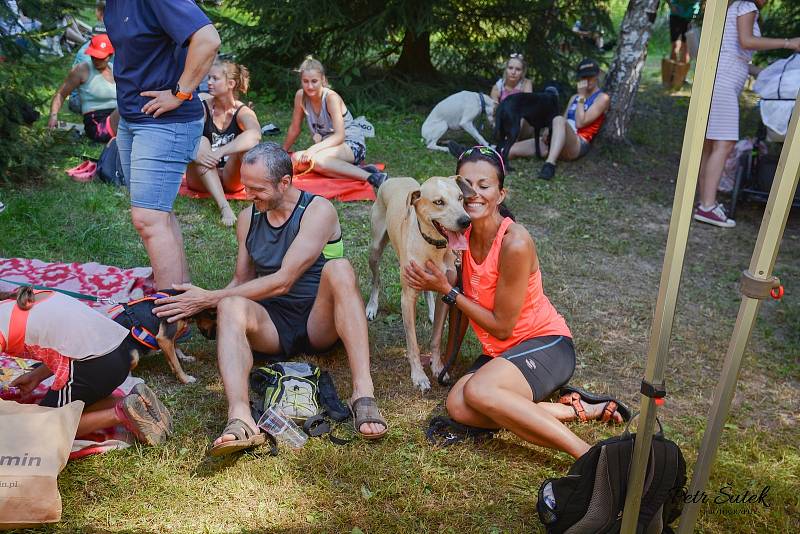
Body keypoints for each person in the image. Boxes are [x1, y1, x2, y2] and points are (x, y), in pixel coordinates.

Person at [153, 143, 388, 455]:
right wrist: (207, 305)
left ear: (285, 183)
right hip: (273, 325)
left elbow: (283, 280)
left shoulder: (318, 211)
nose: (249, 195)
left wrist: (208, 296)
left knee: (340, 269)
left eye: (257, 189)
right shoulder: (249, 218)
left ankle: (363, 394)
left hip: (320, 318)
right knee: (230, 304)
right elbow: (241, 280)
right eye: (246, 187)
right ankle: (240, 416)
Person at [403, 146, 626, 460]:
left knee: (479, 392)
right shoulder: (460, 238)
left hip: (545, 346)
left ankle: (590, 456)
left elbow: (503, 327)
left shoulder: (515, 242)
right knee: (458, 405)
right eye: (466, 187)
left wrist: (448, 291)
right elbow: (461, 309)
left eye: (484, 186)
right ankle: (574, 408)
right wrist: (447, 359)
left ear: (501, 193)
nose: (473, 194)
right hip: (501, 354)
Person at [105, 0, 221, 289]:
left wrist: (179, 93)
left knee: (149, 218)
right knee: (158, 213)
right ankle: (180, 296)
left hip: (166, 121)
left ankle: (166, 318)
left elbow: (208, 40)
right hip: (134, 118)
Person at [2, 287, 172, 445]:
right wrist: (36, 376)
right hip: (119, 353)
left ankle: (121, 413)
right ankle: (136, 403)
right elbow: (63, 342)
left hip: (96, 366)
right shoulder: (21, 298)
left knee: (42, 427)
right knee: (74, 406)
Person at [695, 0, 800, 228]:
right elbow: (747, 41)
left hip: (718, 79)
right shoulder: (746, 7)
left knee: (710, 144)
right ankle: (707, 206)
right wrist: (789, 43)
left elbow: (734, 51)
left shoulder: (731, 7)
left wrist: (765, 72)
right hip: (723, 83)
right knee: (724, 143)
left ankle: (705, 202)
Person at [283, 57, 387, 188]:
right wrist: (282, 152)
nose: (309, 86)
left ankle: (373, 178)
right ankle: (359, 171)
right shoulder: (300, 96)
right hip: (327, 148)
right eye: (305, 81)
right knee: (295, 159)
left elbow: (340, 136)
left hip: (351, 144)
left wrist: (312, 149)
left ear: (323, 80)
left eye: (314, 81)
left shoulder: (331, 98)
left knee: (317, 160)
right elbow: (294, 128)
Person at [506, 58, 609, 181]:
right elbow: (562, 119)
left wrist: (582, 96)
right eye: (583, 77)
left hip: (577, 143)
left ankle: (550, 164)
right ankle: (485, 155)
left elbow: (580, 123)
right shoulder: (574, 97)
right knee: (511, 149)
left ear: (597, 75)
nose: (586, 80)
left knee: (558, 119)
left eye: (590, 77)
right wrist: (549, 130)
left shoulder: (602, 98)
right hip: (556, 140)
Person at [186, 60, 261, 227]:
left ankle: (255, 193)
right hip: (200, 178)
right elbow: (186, 135)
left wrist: (221, 152)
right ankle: (224, 207)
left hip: (230, 178)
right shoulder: (203, 107)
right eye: (209, 78)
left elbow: (256, 135)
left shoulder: (243, 112)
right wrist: (196, 149)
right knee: (201, 141)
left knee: (247, 147)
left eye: (214, 78)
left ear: (231, 84)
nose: (209, 82)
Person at [47, 33, 118, 143]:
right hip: (98, 124)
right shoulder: (82, 69)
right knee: (125, 109)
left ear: (110, 55)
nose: (96, 60)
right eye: (94, 56)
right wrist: (53, 116)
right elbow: (61, 94)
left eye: (101, 57)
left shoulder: (115, 70)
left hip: (117, 118)